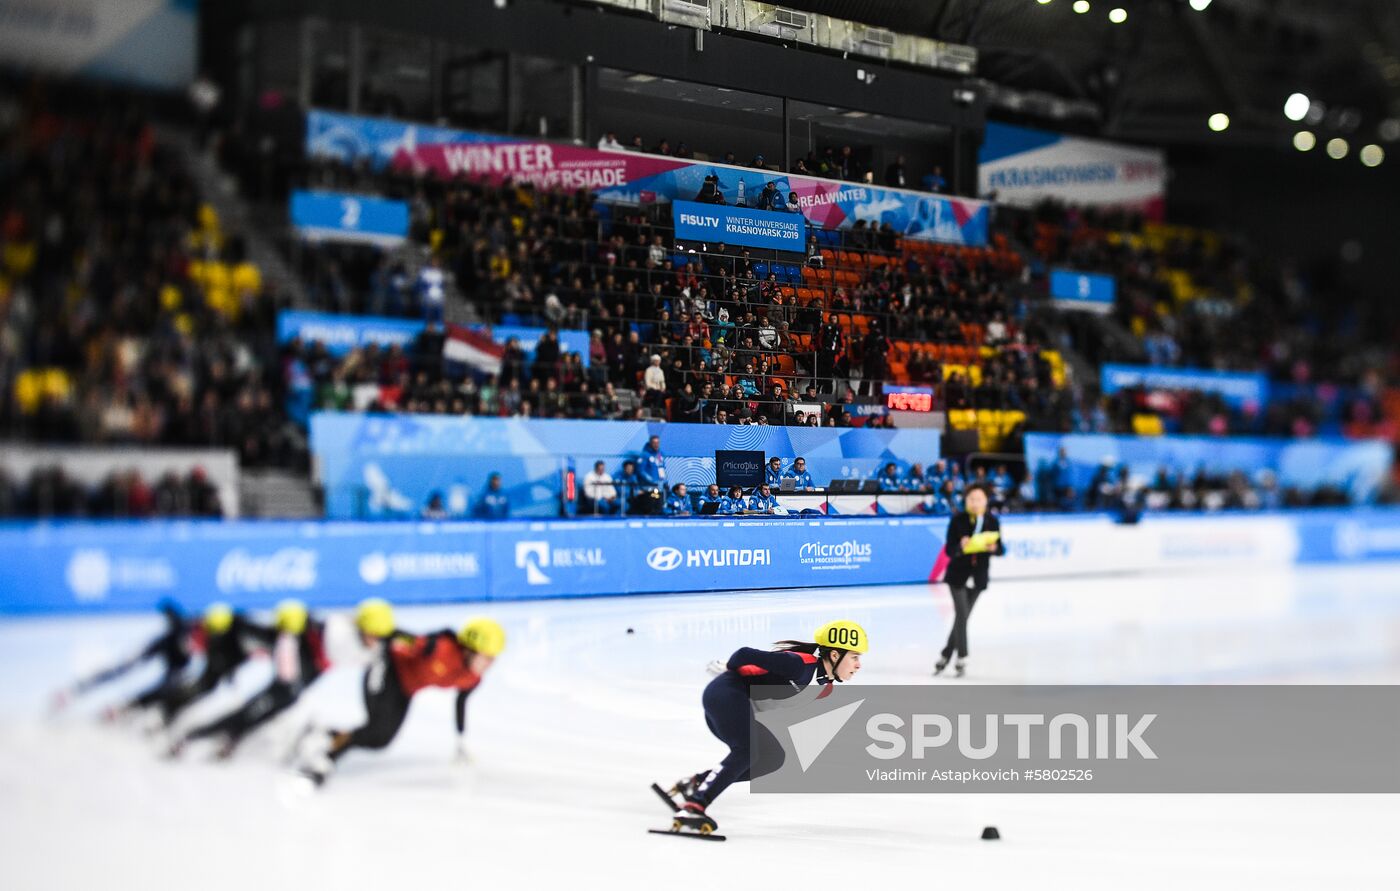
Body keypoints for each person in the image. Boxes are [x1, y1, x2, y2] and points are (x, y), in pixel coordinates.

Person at [656, 621, 867, 833]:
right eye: (854, 657)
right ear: (834, 655)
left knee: (773, 758)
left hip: (737, 706)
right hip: (726, 694)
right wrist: (729, 668)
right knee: (747, 751)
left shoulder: (824, 689)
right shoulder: (799, 665)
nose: (858, 665)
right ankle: (695, 805)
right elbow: (743, 654)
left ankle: (698, 783)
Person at [297, 613, 506, 785]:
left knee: (381, 740)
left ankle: (323, 732)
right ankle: (324, 759)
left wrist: (460, 740)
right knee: (376, 729)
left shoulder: (473, 678)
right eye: (486, 657)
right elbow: (400, 636)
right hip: (387, 668)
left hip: (405, 690)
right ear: (469, 649)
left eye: (493, 659)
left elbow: (461, 702)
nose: (490, 664)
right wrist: (362, 627)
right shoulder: (440, 648)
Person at [169, 600, 331, 759]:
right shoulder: (279, 636)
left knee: (255, 720)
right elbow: (252, 633)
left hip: (292, 694)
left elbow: (317, 664)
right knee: (243, 718)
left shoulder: (307, 639)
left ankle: (219, 740)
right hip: (280, 691)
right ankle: (194, 738)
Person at [52, 599, 191, 717]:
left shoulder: (188, 639)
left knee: (172, 686)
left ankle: (124, 708)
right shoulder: (174, 636)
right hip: (167, 649)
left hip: (178, 665)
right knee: (123, 667)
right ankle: (75, 690)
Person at [148, 603, 275, 728]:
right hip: (214, 676)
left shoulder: (240, 631)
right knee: (199, 688)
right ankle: (168, 711)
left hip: (235, 676)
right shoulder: (207, 636)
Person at [934, 483, 1006, 678]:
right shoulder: (958, 520)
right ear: (966, 500)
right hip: (958, 576)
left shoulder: (992, 521)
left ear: (986, 501)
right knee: (962, 614)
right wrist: (960, 546)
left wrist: (993, 548)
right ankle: (962, 656)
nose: (975, 503)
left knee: (962, 617)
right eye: (971, 499)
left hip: (979, 577)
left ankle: (946, 654)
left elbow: (1001, 548)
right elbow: (949, 549)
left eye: (979, 499)